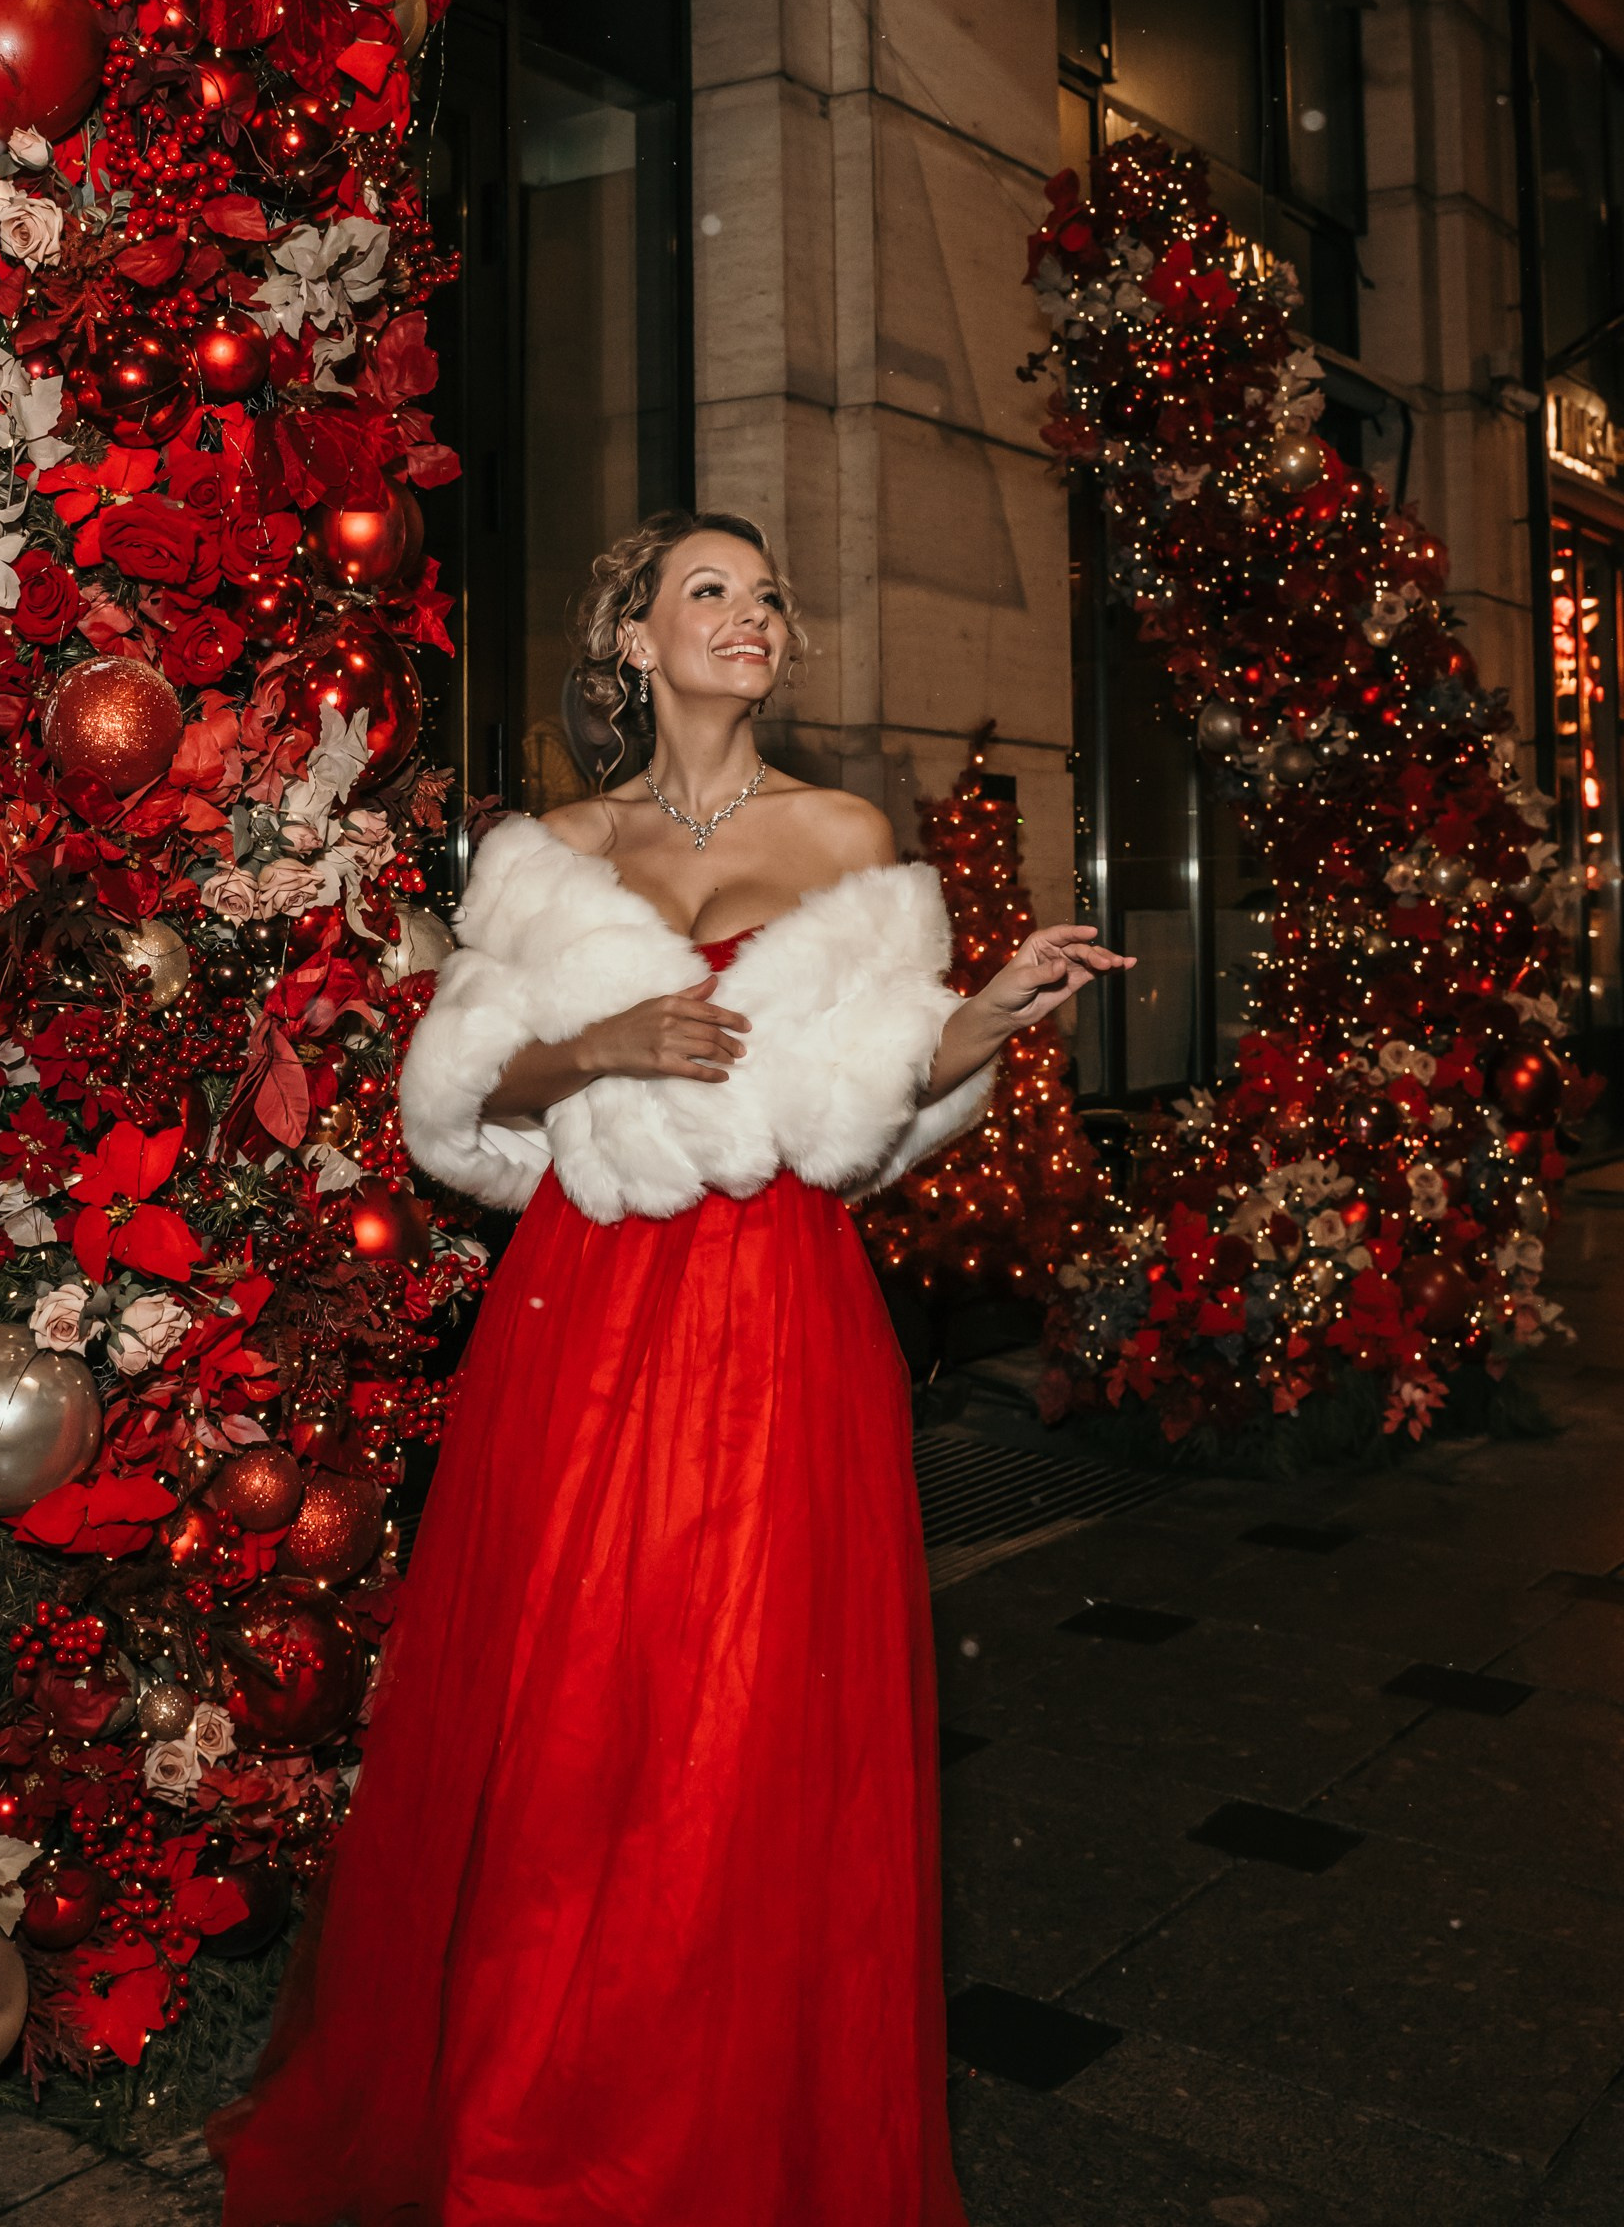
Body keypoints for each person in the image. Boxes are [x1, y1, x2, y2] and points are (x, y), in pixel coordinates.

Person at [212, 510, 1130, 2227]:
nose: (753, 614)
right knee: (576, 1703)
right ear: (634, 639)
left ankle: (726, 2129)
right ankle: (532, 2122)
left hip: (782, 1305)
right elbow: (458, 1097)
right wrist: (601, 1044)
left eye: (768, 594)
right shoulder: (550, 853)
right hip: (590, 1306)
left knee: (750, 1710)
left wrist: (994, 1011)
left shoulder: (847, 834)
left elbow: (877, 1095)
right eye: (712, 590)